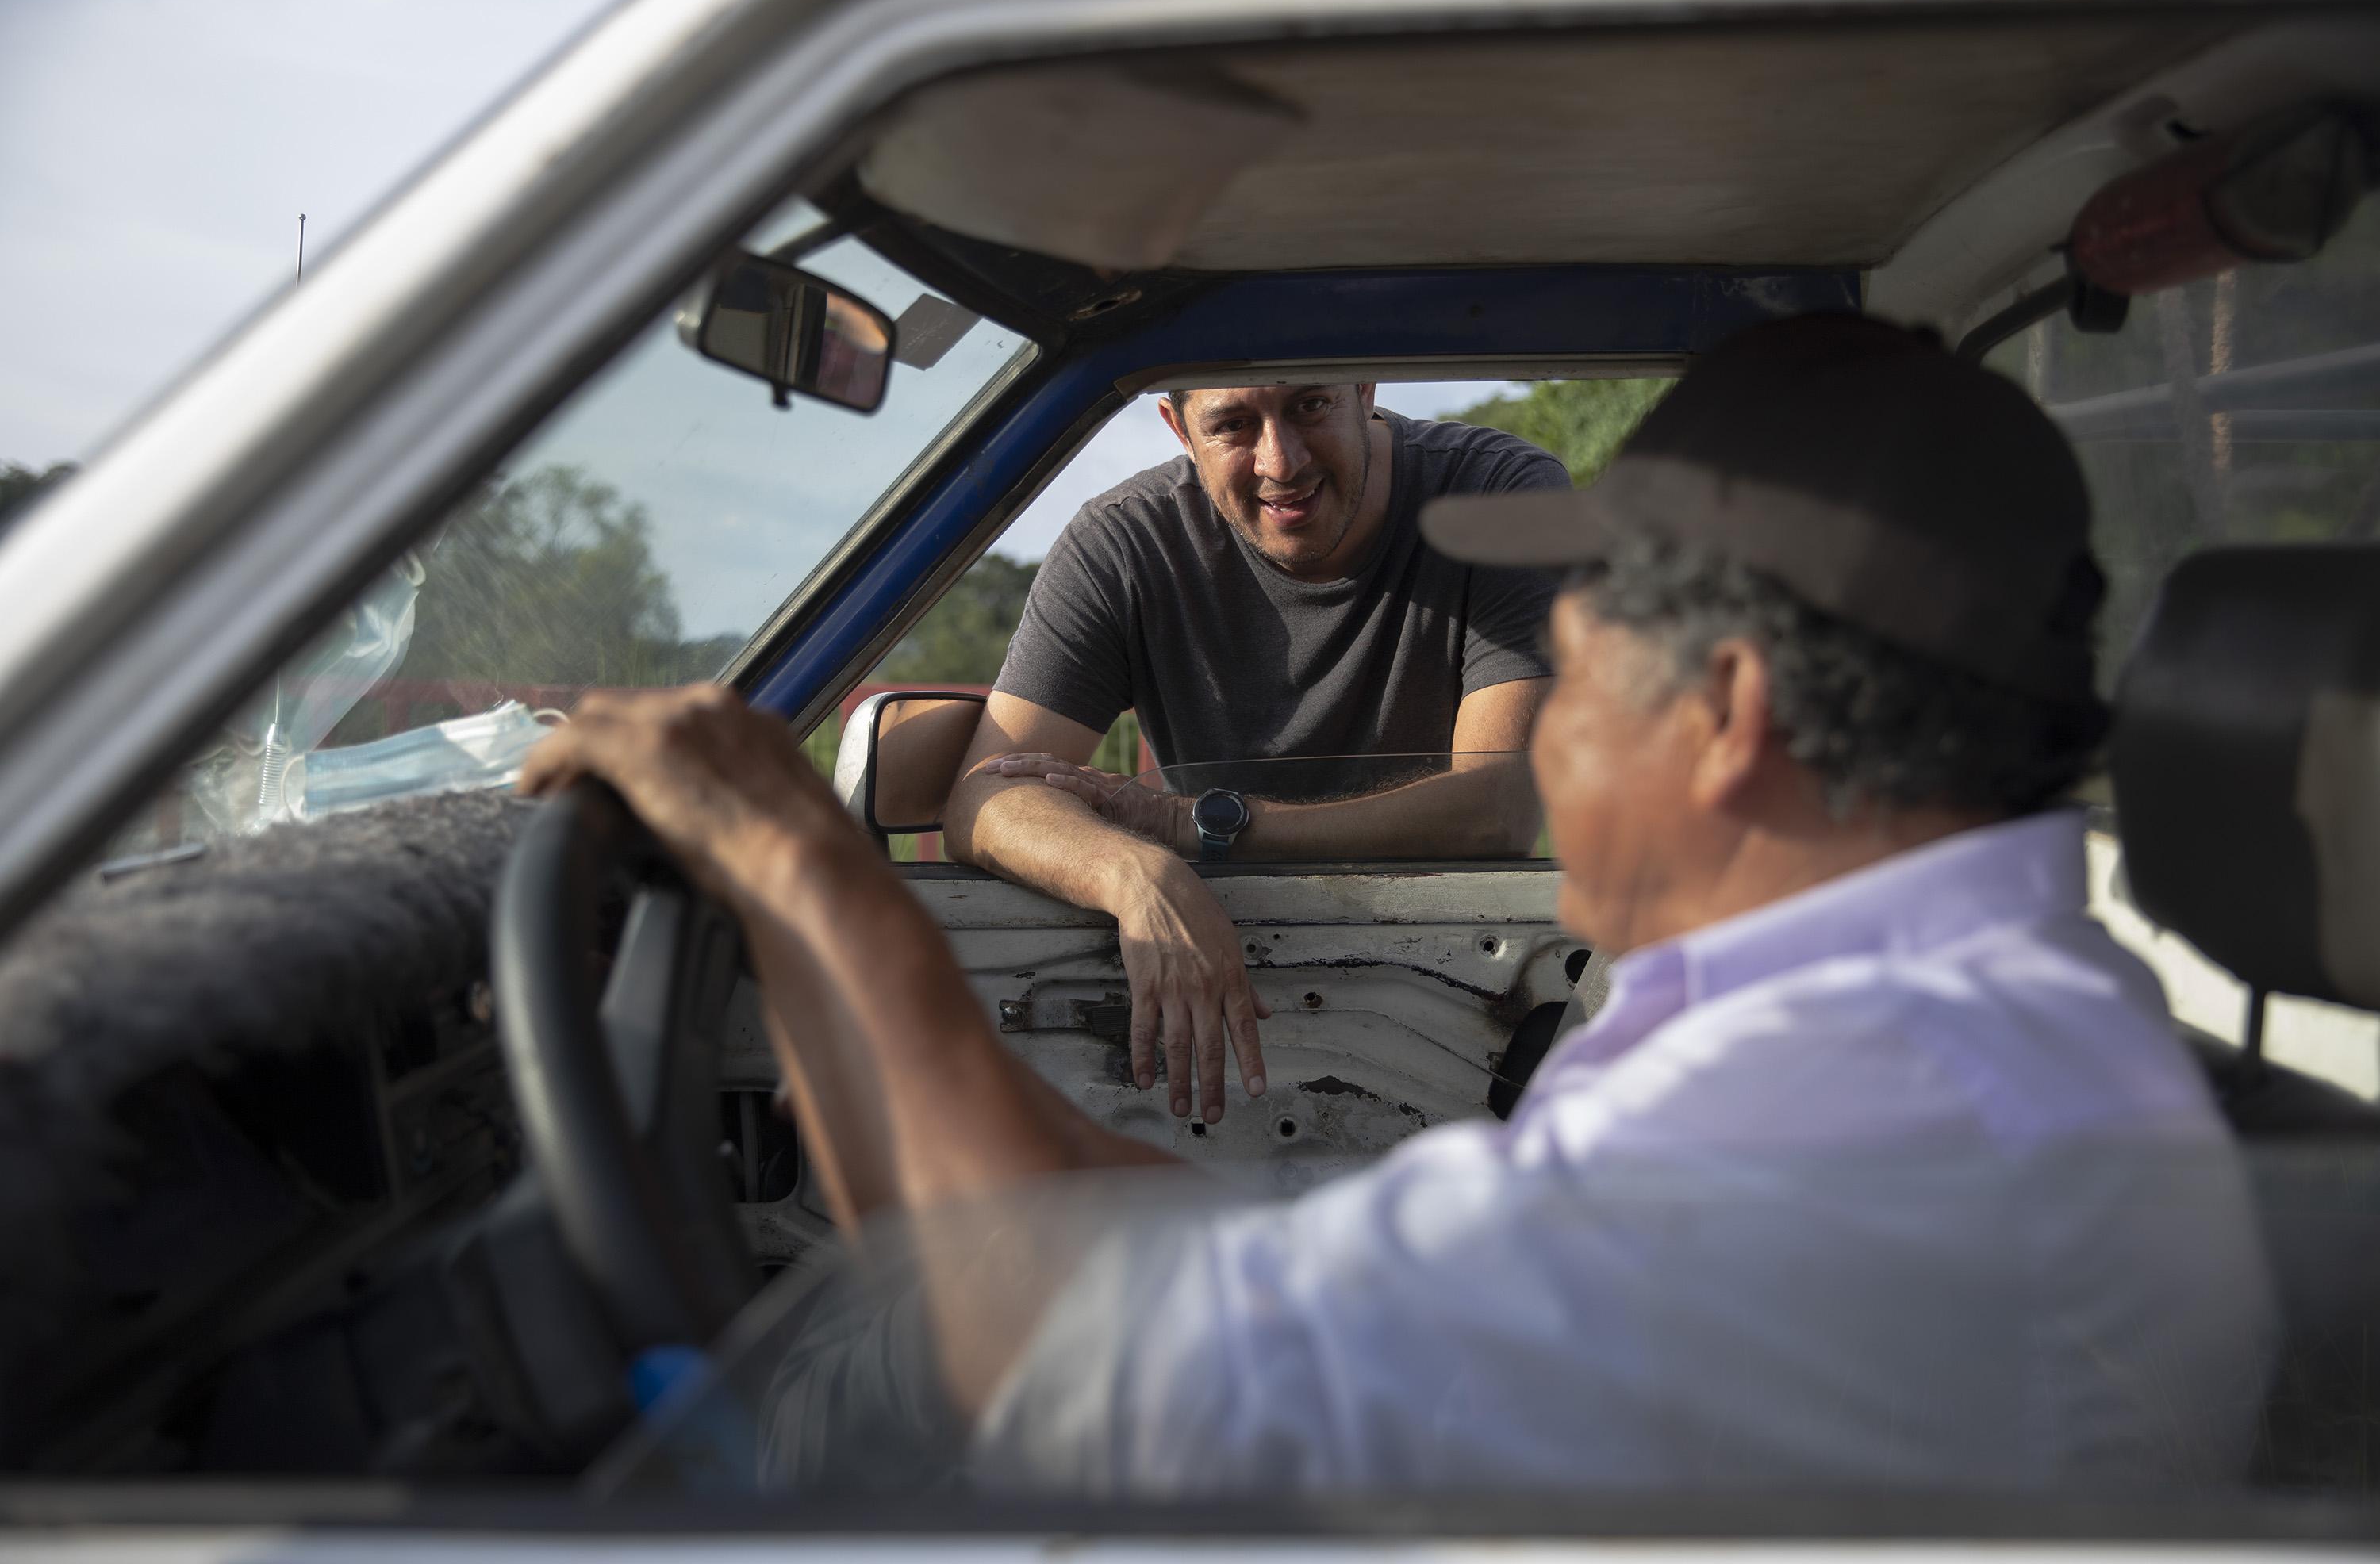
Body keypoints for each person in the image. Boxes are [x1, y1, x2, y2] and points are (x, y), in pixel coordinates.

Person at [521, 315, 2272, 1493]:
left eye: (1573, 676)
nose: (1541, 751)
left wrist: (805, 863)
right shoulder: (1932, 1028)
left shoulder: (1856, 1107)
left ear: (1725, 717)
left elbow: (1065, 1342)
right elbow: (1176, 1286)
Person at [942, 384, 1568, 1125]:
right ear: (1179, 428)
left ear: (1364, 387)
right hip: (1229, 997)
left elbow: (1497, 807)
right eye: (1234, 424)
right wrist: (1138, 875)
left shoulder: (1501, 494)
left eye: (1309, 406)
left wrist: (1194, 827)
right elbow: (984, 798)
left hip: (1473, 1003)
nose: (1282, 461)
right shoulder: (1124, 543)